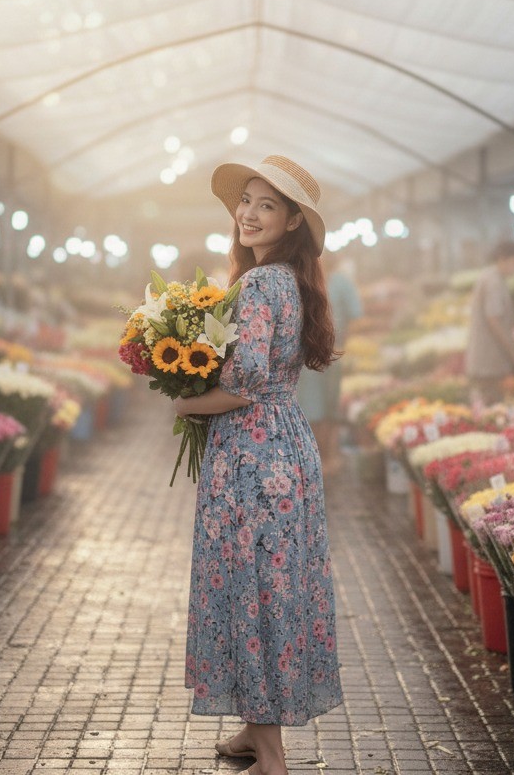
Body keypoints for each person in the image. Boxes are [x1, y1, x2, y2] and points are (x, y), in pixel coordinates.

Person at [172, 154, 343, 775]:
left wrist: (186, 399)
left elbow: (241, 385)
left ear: (294, 220)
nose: (249, 213)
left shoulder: (260, 284)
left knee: (253, 590)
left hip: (251, 452)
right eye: (246, 200)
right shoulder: (289, 280)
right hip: (284, 445)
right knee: (272, 584)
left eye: (267, 205)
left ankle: (270, 755)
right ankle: (253, 731)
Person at [297, 250, 362, 475]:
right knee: (317, 406)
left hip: (322, 353)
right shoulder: (305, 281)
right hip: (314, 354)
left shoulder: (333, 281)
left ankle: (325, 456)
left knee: (324, 405)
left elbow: (354, 313)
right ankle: (322, 457)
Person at [465, 240, 514, 404]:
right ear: (502, 259)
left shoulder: (491, 276)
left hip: (487, 358)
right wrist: (512, 352)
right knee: (492, 403)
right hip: (489, 359)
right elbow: (494, 320)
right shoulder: (494, 282)